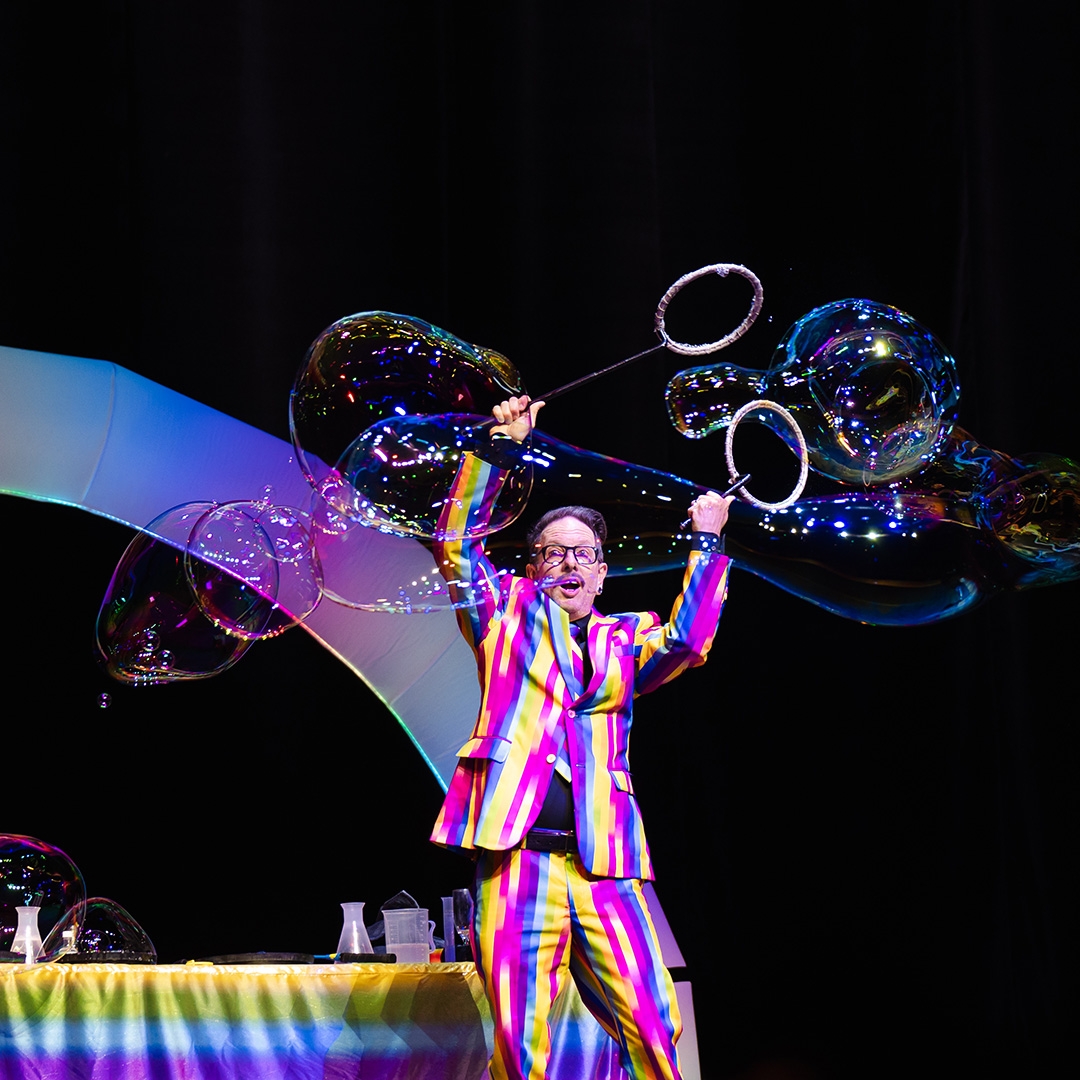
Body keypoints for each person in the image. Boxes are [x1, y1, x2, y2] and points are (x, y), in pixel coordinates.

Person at [431, 395, 732, 1080]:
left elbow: (690, 638)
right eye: (553, 552)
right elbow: (454, 545)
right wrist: (497, 449)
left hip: (606, 868)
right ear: (534, 567)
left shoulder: (628, 638)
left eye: (583, 553)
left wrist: (707, 540)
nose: (568, 562)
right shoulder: (502, 617)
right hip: (515, 866)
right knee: (520, 1041)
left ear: (601, 571)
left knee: (656, 1025)